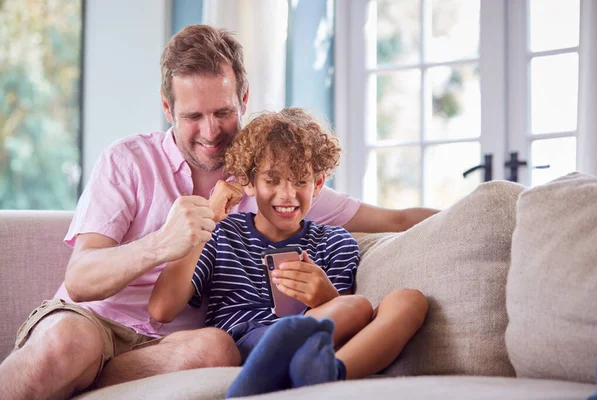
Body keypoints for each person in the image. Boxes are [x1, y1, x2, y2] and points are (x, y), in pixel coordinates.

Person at [0, 24, 436, 399]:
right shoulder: (128, 161)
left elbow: (394, 220)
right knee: (68, 344)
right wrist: (161, 244)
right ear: (168, 108)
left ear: (243, 98)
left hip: (173, 346)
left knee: (218, 350)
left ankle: (82, 383)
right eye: (192, 116)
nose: (211, 133)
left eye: (223, 112)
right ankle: (72, 368)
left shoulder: (271, 176)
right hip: (94, 324)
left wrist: (494, 206)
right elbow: (81, 279)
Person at [148, 108, 429, 397]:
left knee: (409, 301)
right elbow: (161, 310)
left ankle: (327, 373)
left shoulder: (335, 242)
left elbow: (343, 323)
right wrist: (208, 218)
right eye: (272, 180)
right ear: (248, 181)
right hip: (249, 342)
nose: (287, 194)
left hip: (315, 346)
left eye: (300, 180)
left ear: (318, 183)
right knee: (357, 306)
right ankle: (289, 363)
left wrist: (325, 296)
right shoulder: (222, 234)